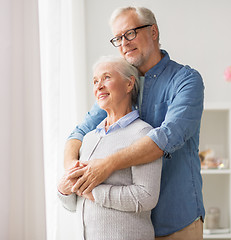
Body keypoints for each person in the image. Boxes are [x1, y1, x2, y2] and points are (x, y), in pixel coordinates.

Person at [65, 6, 205, 240]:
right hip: (131, 225)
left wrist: (106, 165)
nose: (124, 44)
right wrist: (72, 171)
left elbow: (165, 139)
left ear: (153, 32)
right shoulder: (119, 86)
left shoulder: (186, 81)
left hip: (177, 219)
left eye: (130, 33)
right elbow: (78, 134)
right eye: (117, 38)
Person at [57, 55, 162, 240]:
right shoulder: (89, 139)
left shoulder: (143, 134)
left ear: (129, 84)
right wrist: (64, 190)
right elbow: (75, 204)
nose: (98, 86)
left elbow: (146, 196)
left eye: (106, 77)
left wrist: (94, 192)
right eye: (95, 81)